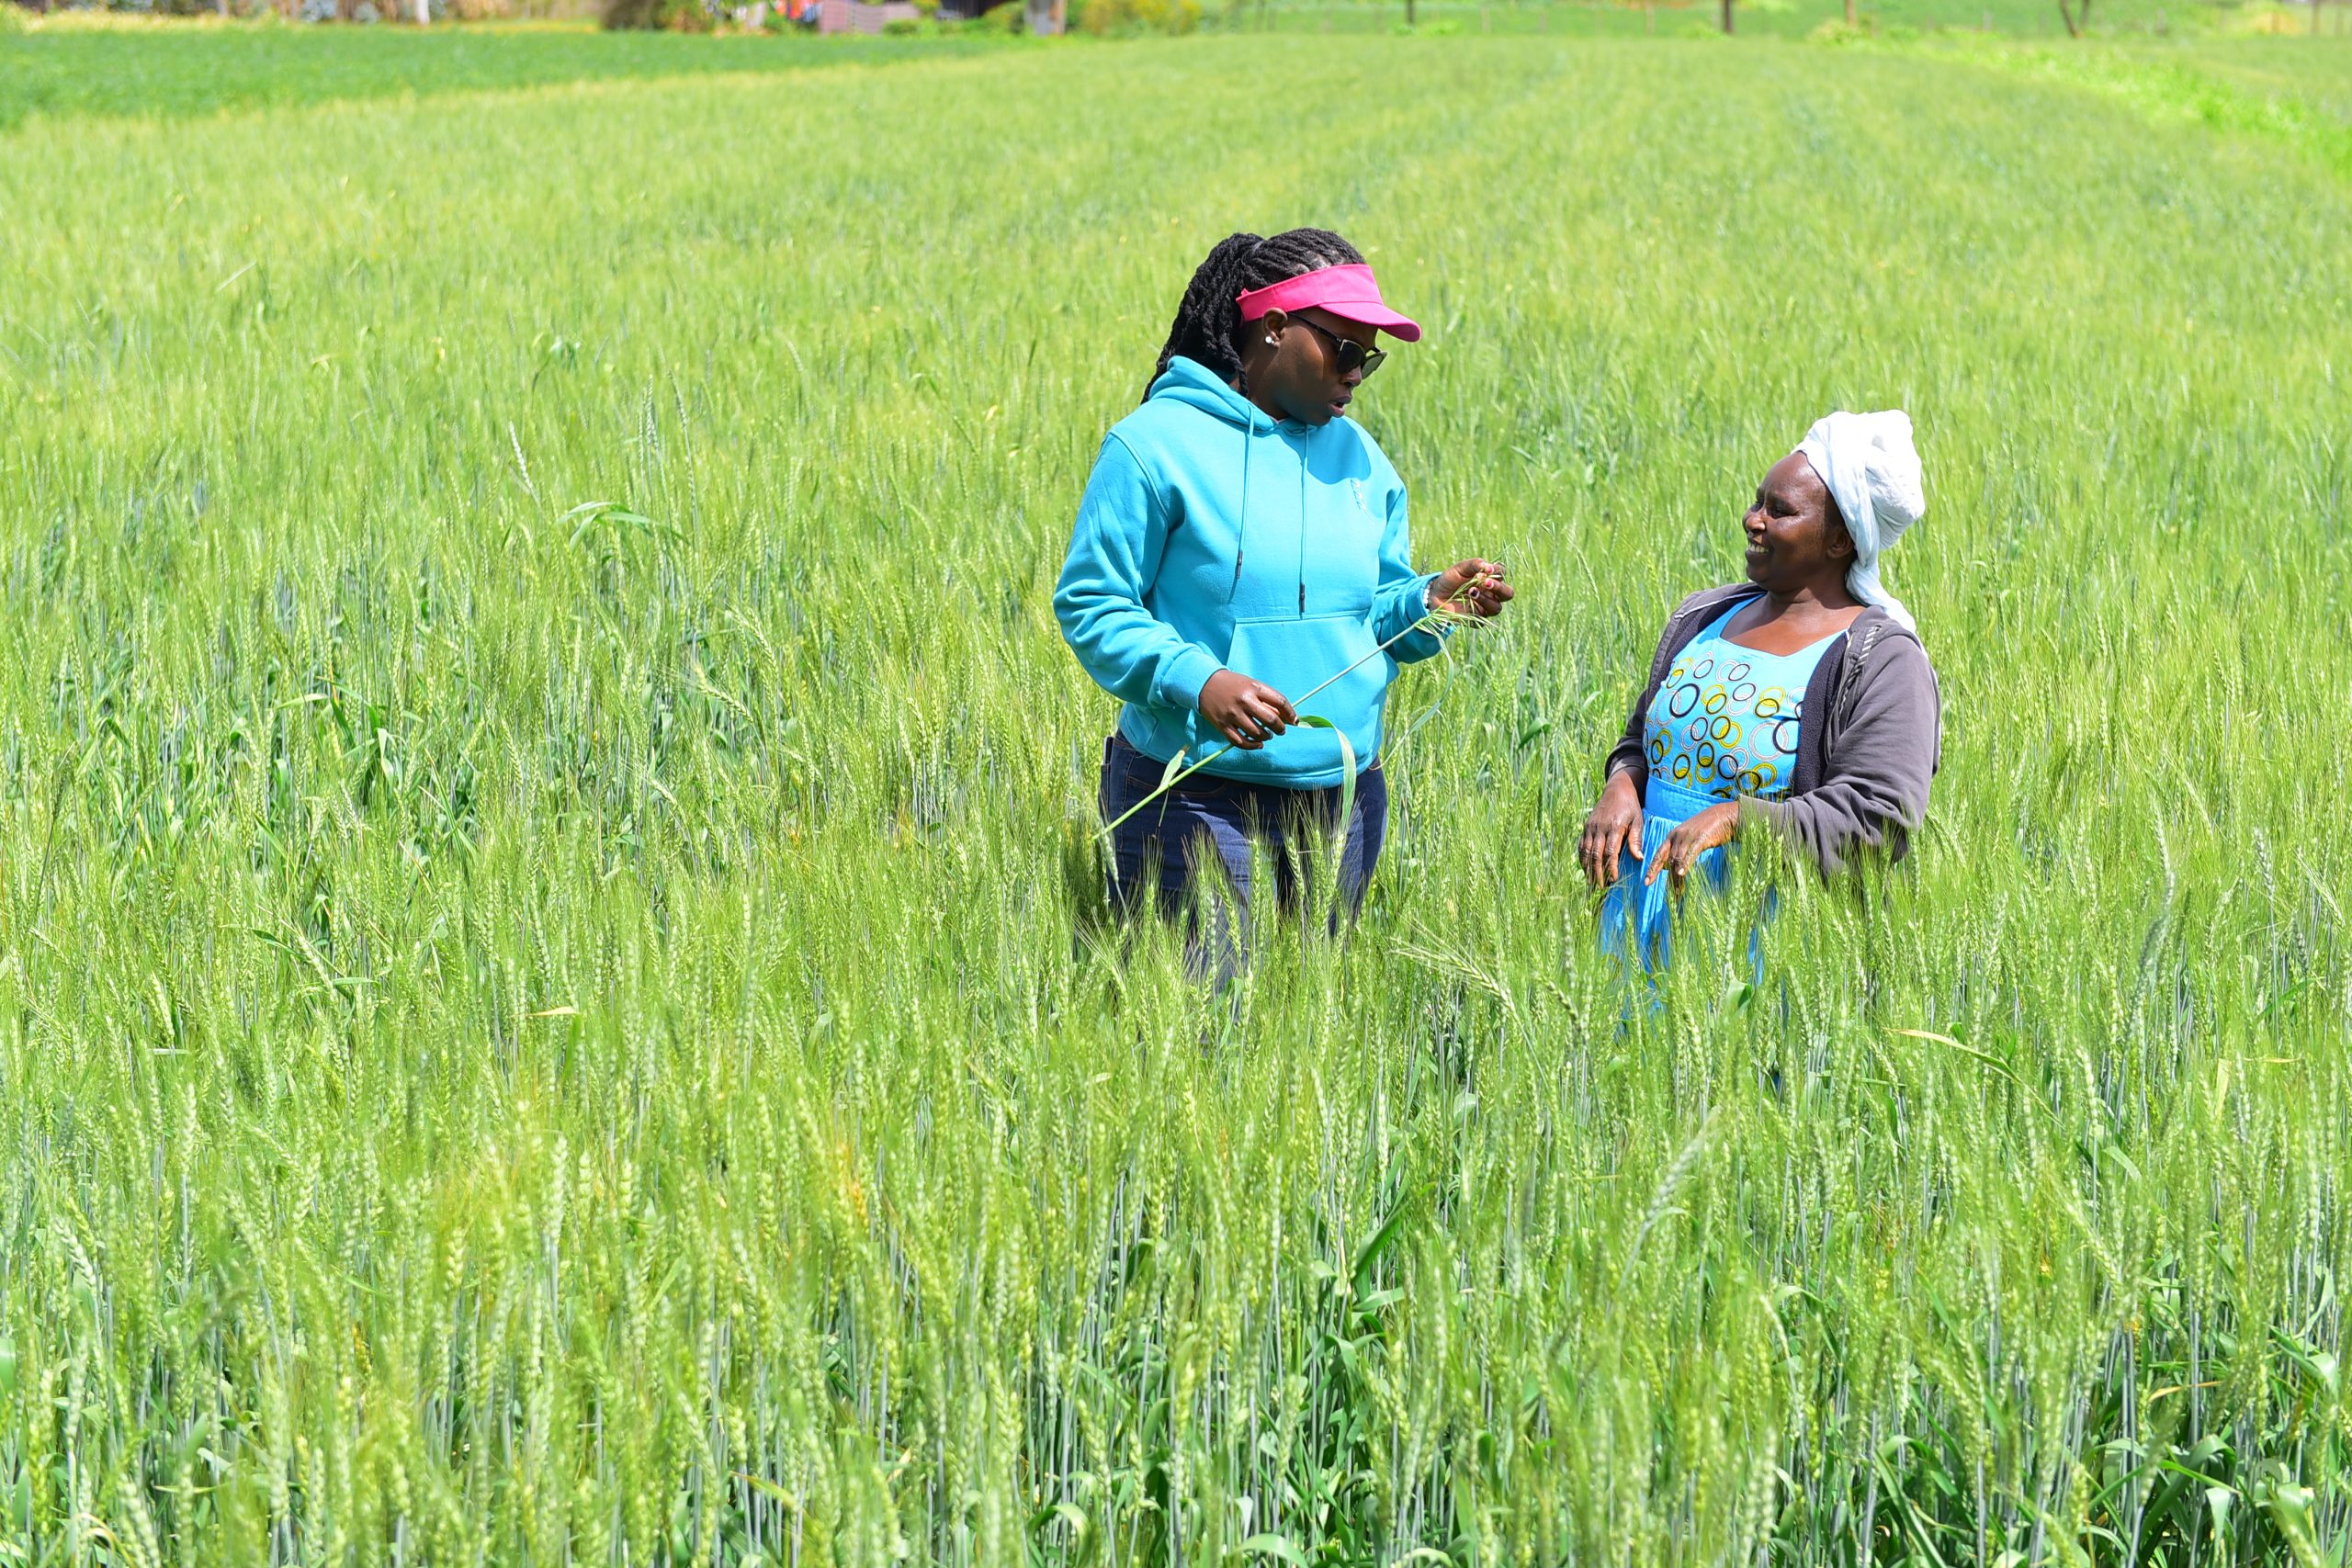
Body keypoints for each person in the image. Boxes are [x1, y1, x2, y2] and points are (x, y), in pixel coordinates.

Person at [1055, 228, 1513, 976]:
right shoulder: (1154, 447)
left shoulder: (1364, 460)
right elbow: (1092, 602)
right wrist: (1198, 682)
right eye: (1345, 348)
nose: (1358, 372)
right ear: (1272, 327)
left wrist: (1428, 602)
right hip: (1192, 794)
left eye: (1371, 355)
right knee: (1205, 1044)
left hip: (1341, 801)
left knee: (1308, 1041)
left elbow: (1371, 616)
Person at [1578, 410, 1940, 973]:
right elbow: (1641, 741)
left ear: (1841, 538)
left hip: (1759, 948)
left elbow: (1880, 816)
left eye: (1780, 510)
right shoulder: (1703, 618)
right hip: (1634, 921)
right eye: (1757, 502)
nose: (1753, 520)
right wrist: (1623, 783)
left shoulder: (1881, 658)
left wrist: (1742, 819)